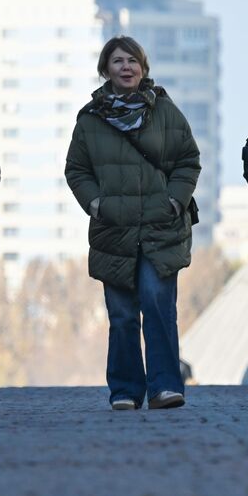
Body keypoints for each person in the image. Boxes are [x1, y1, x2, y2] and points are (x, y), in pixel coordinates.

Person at [65, 36, 201, 411]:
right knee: (122, 314)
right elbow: (76, 170)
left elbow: (188, 160)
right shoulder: (89, 120)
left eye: (133, 61)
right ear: (105, 69)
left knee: (158, 306)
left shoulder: (167, 112)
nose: (126, 67)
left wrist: (175, 201)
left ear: (143, 68)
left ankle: (165, 387)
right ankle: (124, 389)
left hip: (162, 227)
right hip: (114, 230)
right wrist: (96, 204)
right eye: (118, 61)